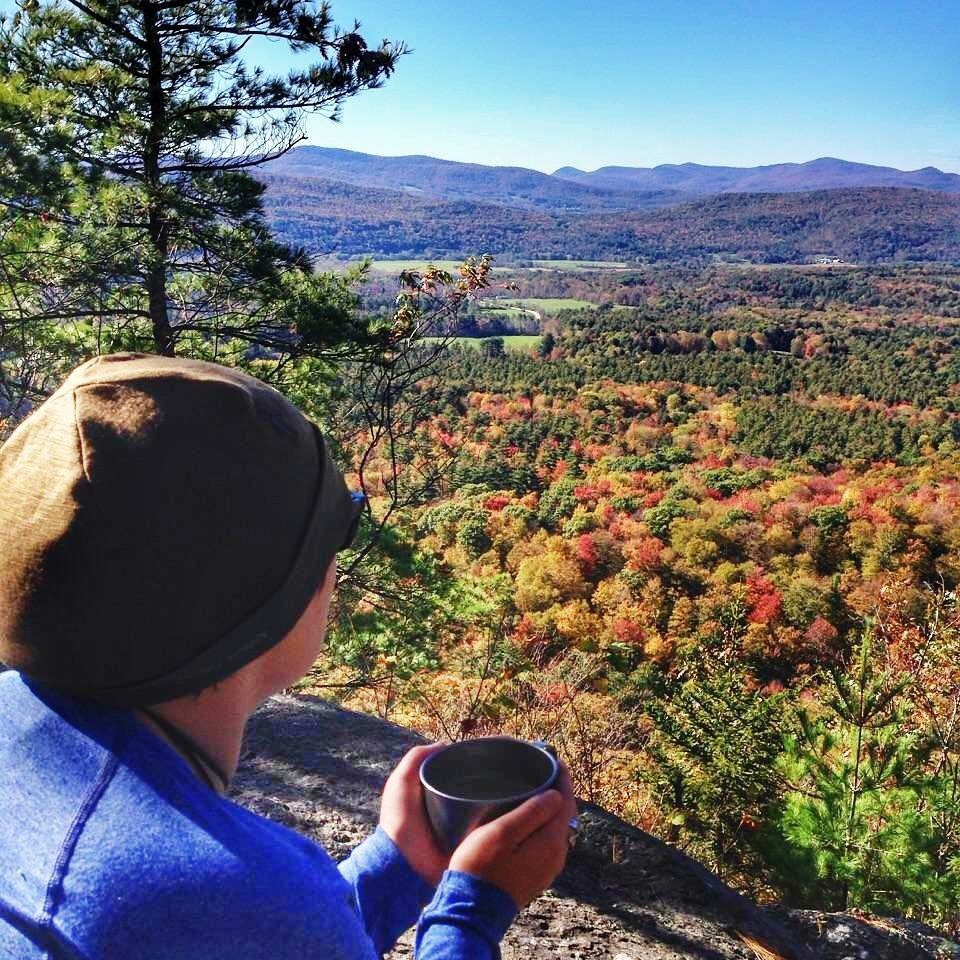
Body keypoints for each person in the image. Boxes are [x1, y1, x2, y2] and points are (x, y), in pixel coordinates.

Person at [0, 353, 577, 960]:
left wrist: (398, 866)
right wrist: (472, 913)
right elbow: (241, 922)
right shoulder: (213, 891)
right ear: (267, 606)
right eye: (336, 532)